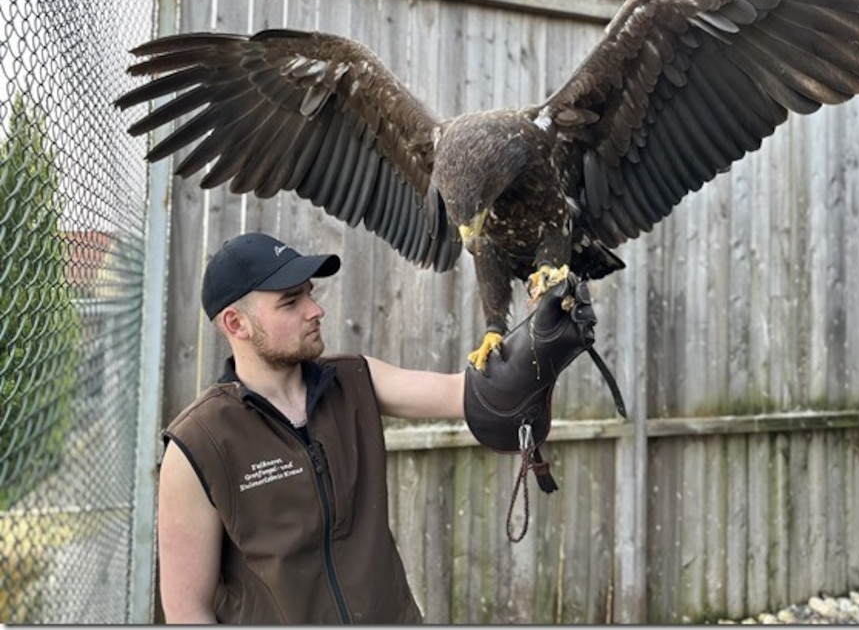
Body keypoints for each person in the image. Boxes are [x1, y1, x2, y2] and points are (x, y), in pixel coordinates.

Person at [156, 231, 598, 624]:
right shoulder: (198, 444)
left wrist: (539, 347)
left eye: (310, 293)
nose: (316, 309)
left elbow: (476, 394)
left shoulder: (355, 380)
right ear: (236, 324)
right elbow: (187, 611)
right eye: (291, 302)